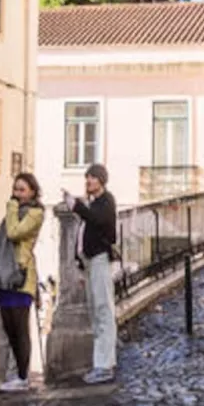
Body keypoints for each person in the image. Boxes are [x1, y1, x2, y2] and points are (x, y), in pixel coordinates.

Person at [65, 164, 118, 385]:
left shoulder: (106, 202)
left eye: (92, 178)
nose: (88, 181)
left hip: (99, 260)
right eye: (87, 177)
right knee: (96, 313)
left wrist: (76, 206)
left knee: (103, 310)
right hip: (89, 262)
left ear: (101, 181)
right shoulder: (95, 204)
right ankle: (101, 362)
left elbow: (96, 220)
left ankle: (104, 365)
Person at [0, 174, 45, 393]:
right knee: (9, 328)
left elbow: (14, 233)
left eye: (22, 190)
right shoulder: (12, 213)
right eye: (15, 189)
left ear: (32, 191)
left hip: (21, 275)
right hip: (5, 274)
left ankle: (23, 376)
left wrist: (11, 208)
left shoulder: (35, 214)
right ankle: (13, 374)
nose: (17, 194)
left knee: (20, 327)